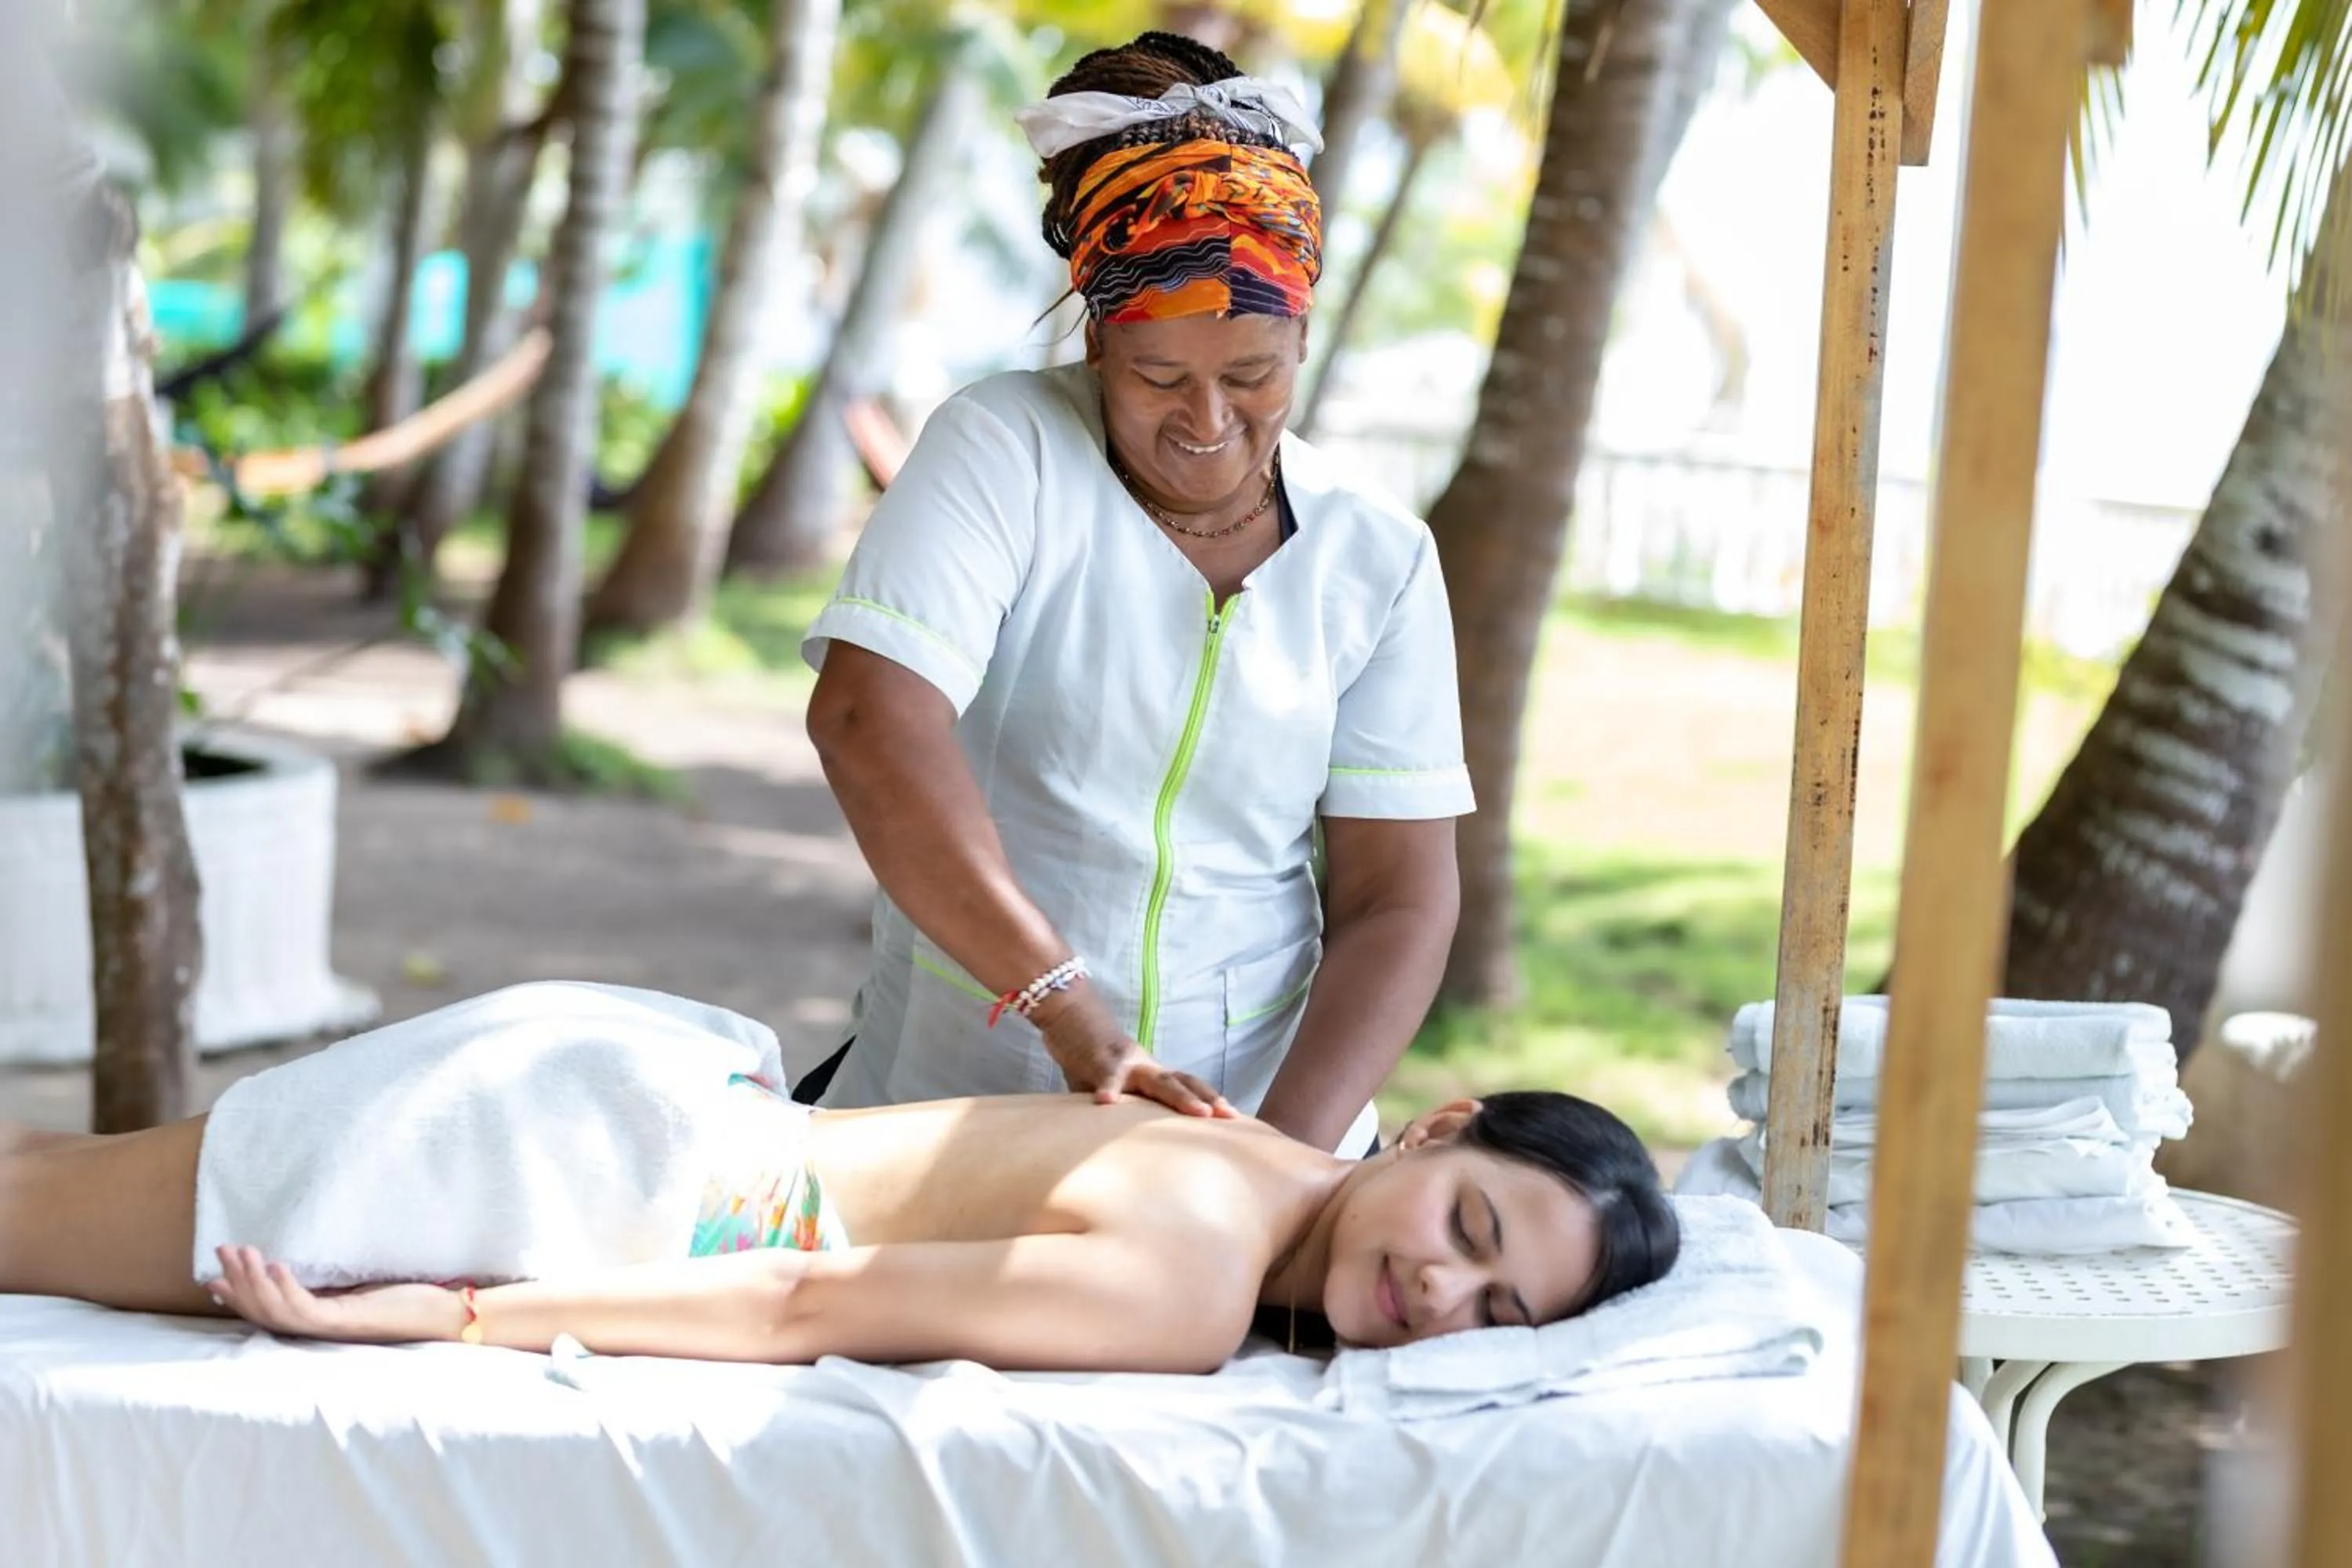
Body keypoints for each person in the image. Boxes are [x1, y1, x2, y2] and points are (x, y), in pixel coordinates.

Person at [795, 31, 1475, 1156]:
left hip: (1256, 1134)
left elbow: (1397, 901)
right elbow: (869, 721)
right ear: (1101, 337)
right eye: (1162, 377)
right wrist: (1068, 1012)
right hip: (960, 1118)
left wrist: (1279, 1169)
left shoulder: (1378, 556)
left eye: (1252, 376)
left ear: (1302, 336)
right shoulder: (1005, 449)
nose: (1208, 423)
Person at [0, 984, 1678, 1371]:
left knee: (36, 1186)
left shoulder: (1243, 1135)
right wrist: (449, 1317)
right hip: (584, 1165)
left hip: (639, 1077)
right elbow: (808, 1297)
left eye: (1500, 1307)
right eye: (1469, 1228)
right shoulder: (1192, 1279)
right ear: (1444, 1126)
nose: (1445, 1293)